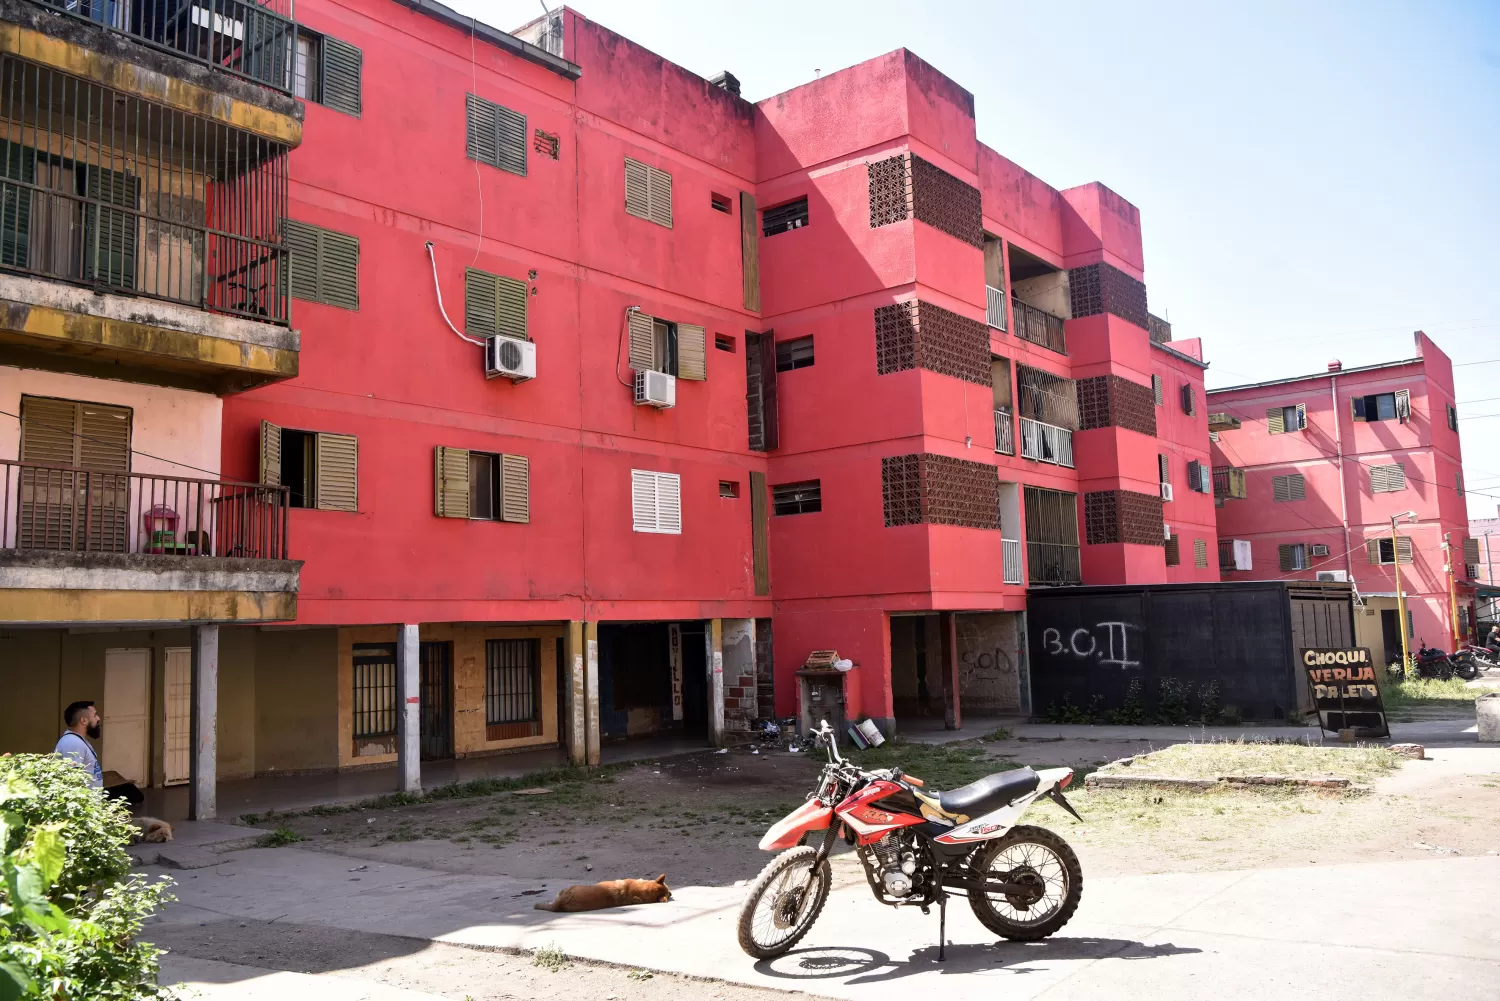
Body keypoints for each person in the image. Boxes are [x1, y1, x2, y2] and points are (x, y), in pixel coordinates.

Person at [54, 701, 144, 807]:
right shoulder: (72, 743)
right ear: (83, 720)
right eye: (95, 715)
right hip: (84, 808)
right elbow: (71, 781)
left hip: (93, 803)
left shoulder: (78, 740)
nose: (98, 718)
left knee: (131, 791)